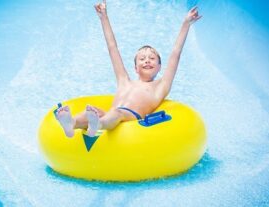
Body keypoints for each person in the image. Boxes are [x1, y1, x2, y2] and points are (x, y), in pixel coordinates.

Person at [55, 0, 202, 138]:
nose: (147, 61)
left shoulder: (161, 86)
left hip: (129, 119)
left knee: (117, 113)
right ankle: (71, 124)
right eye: (142, 58)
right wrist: (103, 17)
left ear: (159, 67)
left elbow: (176, 53)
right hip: (112, 116)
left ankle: (97, 125)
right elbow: (112, 47)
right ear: (136, 68)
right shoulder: (124, 80)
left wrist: (186, 24)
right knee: (93, 110)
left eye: (152, 58)